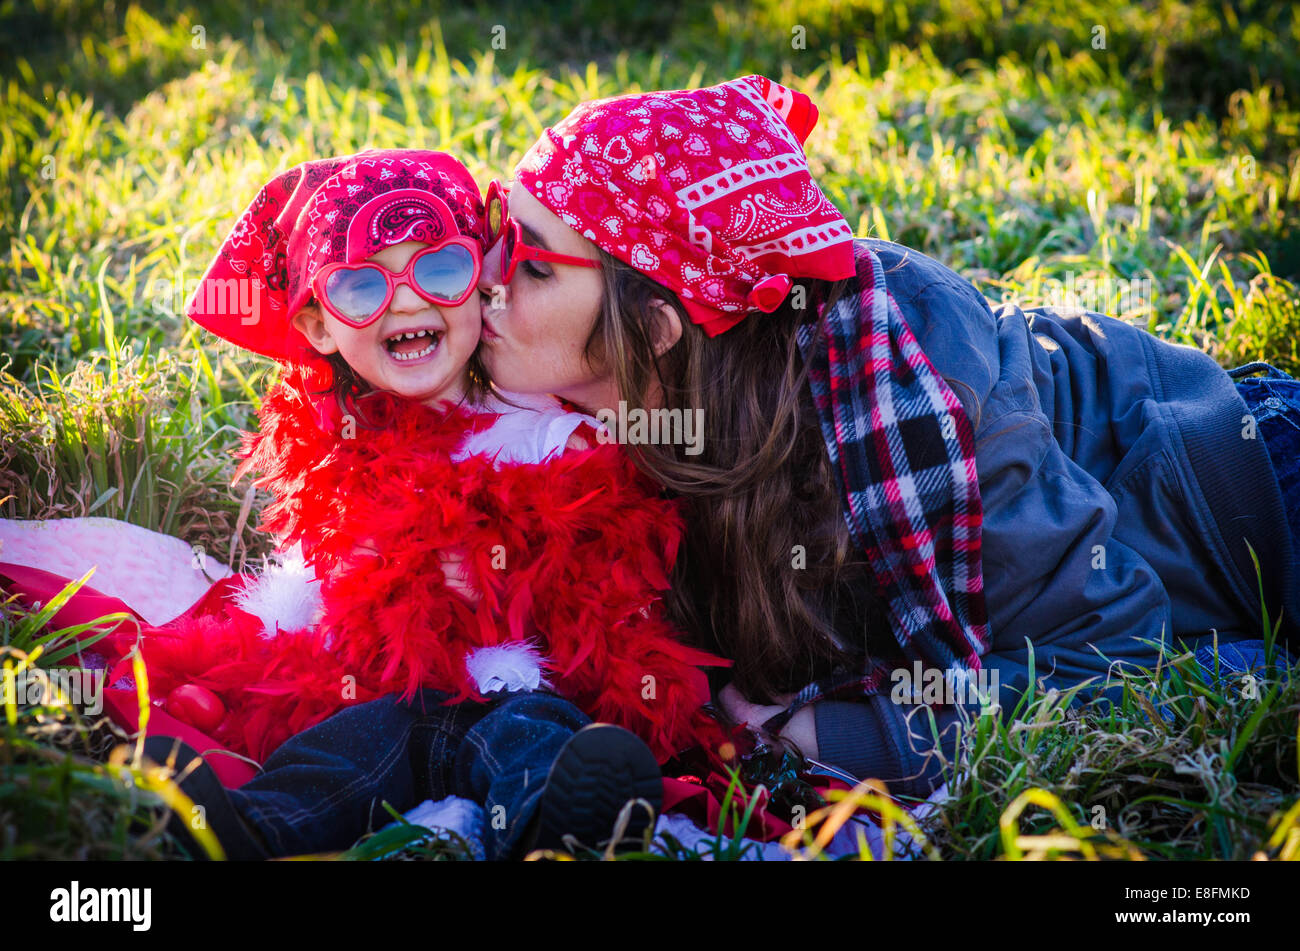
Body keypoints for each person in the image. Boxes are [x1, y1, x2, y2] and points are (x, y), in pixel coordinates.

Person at [470, 74, 1298, 800]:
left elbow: (1125, 662)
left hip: (1251, 489)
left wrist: (839, 738)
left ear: (654, 328)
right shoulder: (576, 401)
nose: (489, 275)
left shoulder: (916, 416)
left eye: (533, 266)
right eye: (500, 232)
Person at [101, 148, 726, 859]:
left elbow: (606, 561)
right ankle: (238, 827)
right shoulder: (337, 441)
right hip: (383, 693)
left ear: (481, 278)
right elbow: (314, 583)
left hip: (518, 682)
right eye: (361, 288)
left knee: (531, 734)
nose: (405, 300)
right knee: (338, 754)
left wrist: (504, 574)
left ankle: (569, 820)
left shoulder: (548, 411)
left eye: (439, 267)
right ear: (318, 329)